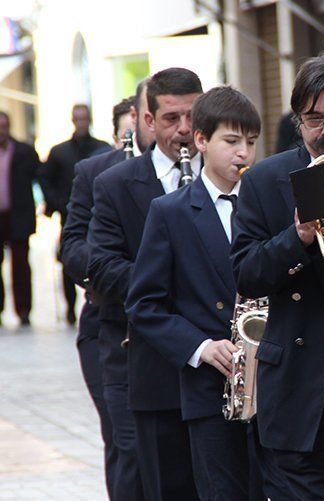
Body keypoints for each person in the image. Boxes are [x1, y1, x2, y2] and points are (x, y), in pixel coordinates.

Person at [231, 54, 324, 500]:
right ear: (298, 122)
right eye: (315, 120)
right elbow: (246, 274)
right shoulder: (262, 179)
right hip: (300, 384)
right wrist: (296, 237)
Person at [127, 86, 274, 500]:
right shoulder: (170, 212)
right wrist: (200, 347)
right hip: (210, 391)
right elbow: (144, 304)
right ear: (202, 140)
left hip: (274, 387)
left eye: (250, 142)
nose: (243, 154)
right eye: (231, 141)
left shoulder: (270, 205)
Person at [87, 67, 203, 500]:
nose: (185, 130)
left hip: (218, 365)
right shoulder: (115, 184)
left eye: (193, 116)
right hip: (150, 364)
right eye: (172, 118)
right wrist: (171, 278)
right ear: (148, 122)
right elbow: (101, 268)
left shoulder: (228, 174)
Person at [60, 79, 153, 501]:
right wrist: (116, 268)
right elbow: (73, 248)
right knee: (125, 442)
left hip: (168, 332)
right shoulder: (97, 172)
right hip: (109, 328)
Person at [44, 103, 111, 324]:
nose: (81, 123)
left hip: (98, 213)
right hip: (69, 212)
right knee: (68, 256)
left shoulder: (102, 148)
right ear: (72, 120)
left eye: (84, 119)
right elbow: (45, 178)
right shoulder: (59, 151)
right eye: (78, 119)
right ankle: (70, 307)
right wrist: (55, 203)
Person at [0, 111, 41, 326]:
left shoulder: (24, 152)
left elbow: (41, 177)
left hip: (18, 216)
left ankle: (24, 309)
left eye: (4, 126)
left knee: (21, 266)